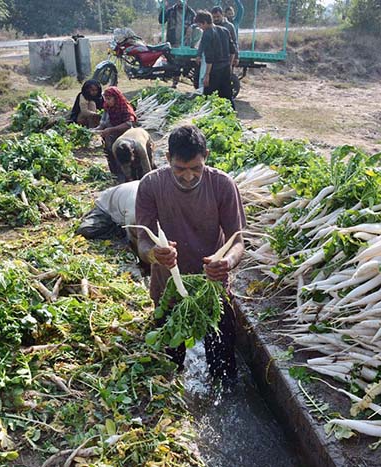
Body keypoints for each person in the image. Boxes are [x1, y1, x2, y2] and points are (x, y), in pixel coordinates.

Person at [135, 124, 246, 385]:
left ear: (206, 155)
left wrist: (226, 262)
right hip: (168, 291)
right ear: (167, 159)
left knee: (223, 371)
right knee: (169, 369)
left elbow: (238, 241)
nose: (188, 177)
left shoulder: (222, 185)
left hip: (213, 292)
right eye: (180, 169)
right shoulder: (151, 185)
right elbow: (142, 242)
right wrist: (155, 255)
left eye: (196, 168)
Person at [195, 10, 237, 109]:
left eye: (200, 25)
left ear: (205, 22)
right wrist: (230, 65)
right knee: (227, 96)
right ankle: (232, 116)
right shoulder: (224, 30)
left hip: (214, 70)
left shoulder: (207, 33)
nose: (200, 28)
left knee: (208, 97)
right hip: (226, 68)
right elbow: (233, 50)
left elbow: (210, 57)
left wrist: (207, 75)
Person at [94, 87, 137, 183]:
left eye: (109, 99)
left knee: (125, 158)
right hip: (110, 138)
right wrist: (95, 130)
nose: (107, 101)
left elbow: (128, 124)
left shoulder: (125, 107)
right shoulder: (107, 108)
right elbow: (103, 123)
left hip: (125, 137)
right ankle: (116, 176)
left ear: (116, 98)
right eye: (106, 99)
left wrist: (111, 129)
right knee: (110, 156)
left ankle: (129, 176)